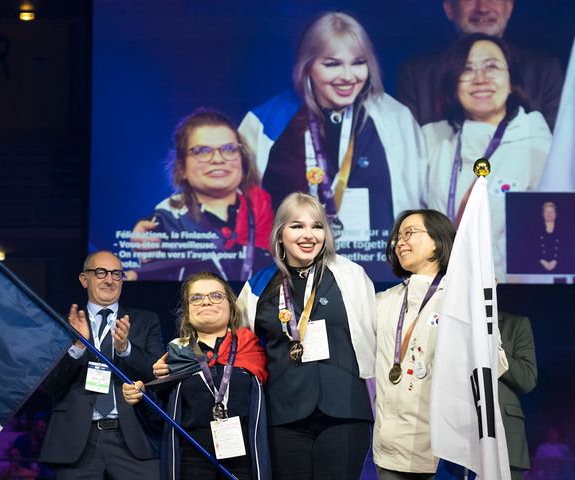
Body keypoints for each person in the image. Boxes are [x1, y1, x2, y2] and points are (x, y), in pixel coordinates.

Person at [239, 11, 427, 280]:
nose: (348, 76)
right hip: (290, 281)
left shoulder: (394, 118)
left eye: (359, 63)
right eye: (332, 64)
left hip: (379, 279)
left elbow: (420, 202)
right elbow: (236, 208)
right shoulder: (266, 122)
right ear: (307, 66)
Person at [237, 192, 377, 479]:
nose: (309, 235)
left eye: (317, 226)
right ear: (279, 234)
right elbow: (238, 347)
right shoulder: (259, 285)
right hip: (284, 414)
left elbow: (379, 333)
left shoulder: (350, 275)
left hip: (346, 411)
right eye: (297, 226)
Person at [423, 33, 552, 281]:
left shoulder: (539, 148)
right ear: (453, 82)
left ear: (512, 79)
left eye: (492, 67)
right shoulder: (431, 139)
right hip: (441, 287)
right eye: (467, 70)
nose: (480, 79)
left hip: (509, 292)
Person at [125, 271, 270, 480]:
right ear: (187, 310)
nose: (206, 302)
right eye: (197, 298)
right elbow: (160, 419)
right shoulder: (175, 357)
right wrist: (140, 398)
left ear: (231, 305)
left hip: (245, 460)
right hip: (192, 462)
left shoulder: (252, 349)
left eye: (216, 296)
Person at [39, 251, 163, 479]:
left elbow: (157, 375)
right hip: (77, 442)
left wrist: (126, 349)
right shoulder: (63, 323)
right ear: (84, 279)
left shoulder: (146, 320)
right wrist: (77, 346)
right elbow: (50, 385)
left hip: (134, 438)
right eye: (100, 272)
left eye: (116, 273)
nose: (109, 280)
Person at [131, 108, 273, 282]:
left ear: (242, 161)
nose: (218, 159)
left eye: (229, 149)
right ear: (181, 168)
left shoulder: (266, 210)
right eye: (202, 151)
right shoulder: (166, 222)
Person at [373, 209, 455, 479]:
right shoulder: (384, 301)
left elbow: (494, 363)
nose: (399, 242)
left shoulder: (458, 300)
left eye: (410, 233)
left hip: (442, 456)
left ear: (438, 241)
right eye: (397, 237)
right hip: (388, 452)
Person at [397, 0, 564, 129]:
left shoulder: (544, 71)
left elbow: (558, 153)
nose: (483, 7)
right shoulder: (417, 75)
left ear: (509, 6)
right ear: (449, 8)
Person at [498, 311, 537, 480]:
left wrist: (493, 352)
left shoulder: (515, 324)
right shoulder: (451, 324)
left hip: (506, 438)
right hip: (459, 436)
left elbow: (527, 379)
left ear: (495, 283)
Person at [537, 201, 561, 272]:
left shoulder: (563, 231)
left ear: (556, 214)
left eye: (552, 212)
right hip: (539, 267)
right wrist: (542, 261)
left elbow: (567, 250)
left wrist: (555, 261)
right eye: (547, 212)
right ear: (543, 214)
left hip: (560, 266)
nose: (549, 214)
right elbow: (531, 250)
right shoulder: (535, 231)